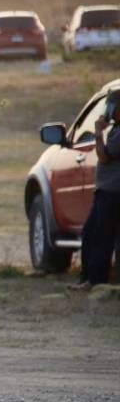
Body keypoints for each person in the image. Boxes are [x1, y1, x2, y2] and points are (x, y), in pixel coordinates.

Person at [70, 91, 120, 290]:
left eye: (111, 107)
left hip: (112, 192)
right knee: (91, 233)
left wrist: (98, 133)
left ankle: (97, 281)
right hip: (105, 191)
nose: (109, 111)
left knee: (101, 236)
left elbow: (104, 156)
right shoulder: (116, 129)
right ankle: (89, 278)